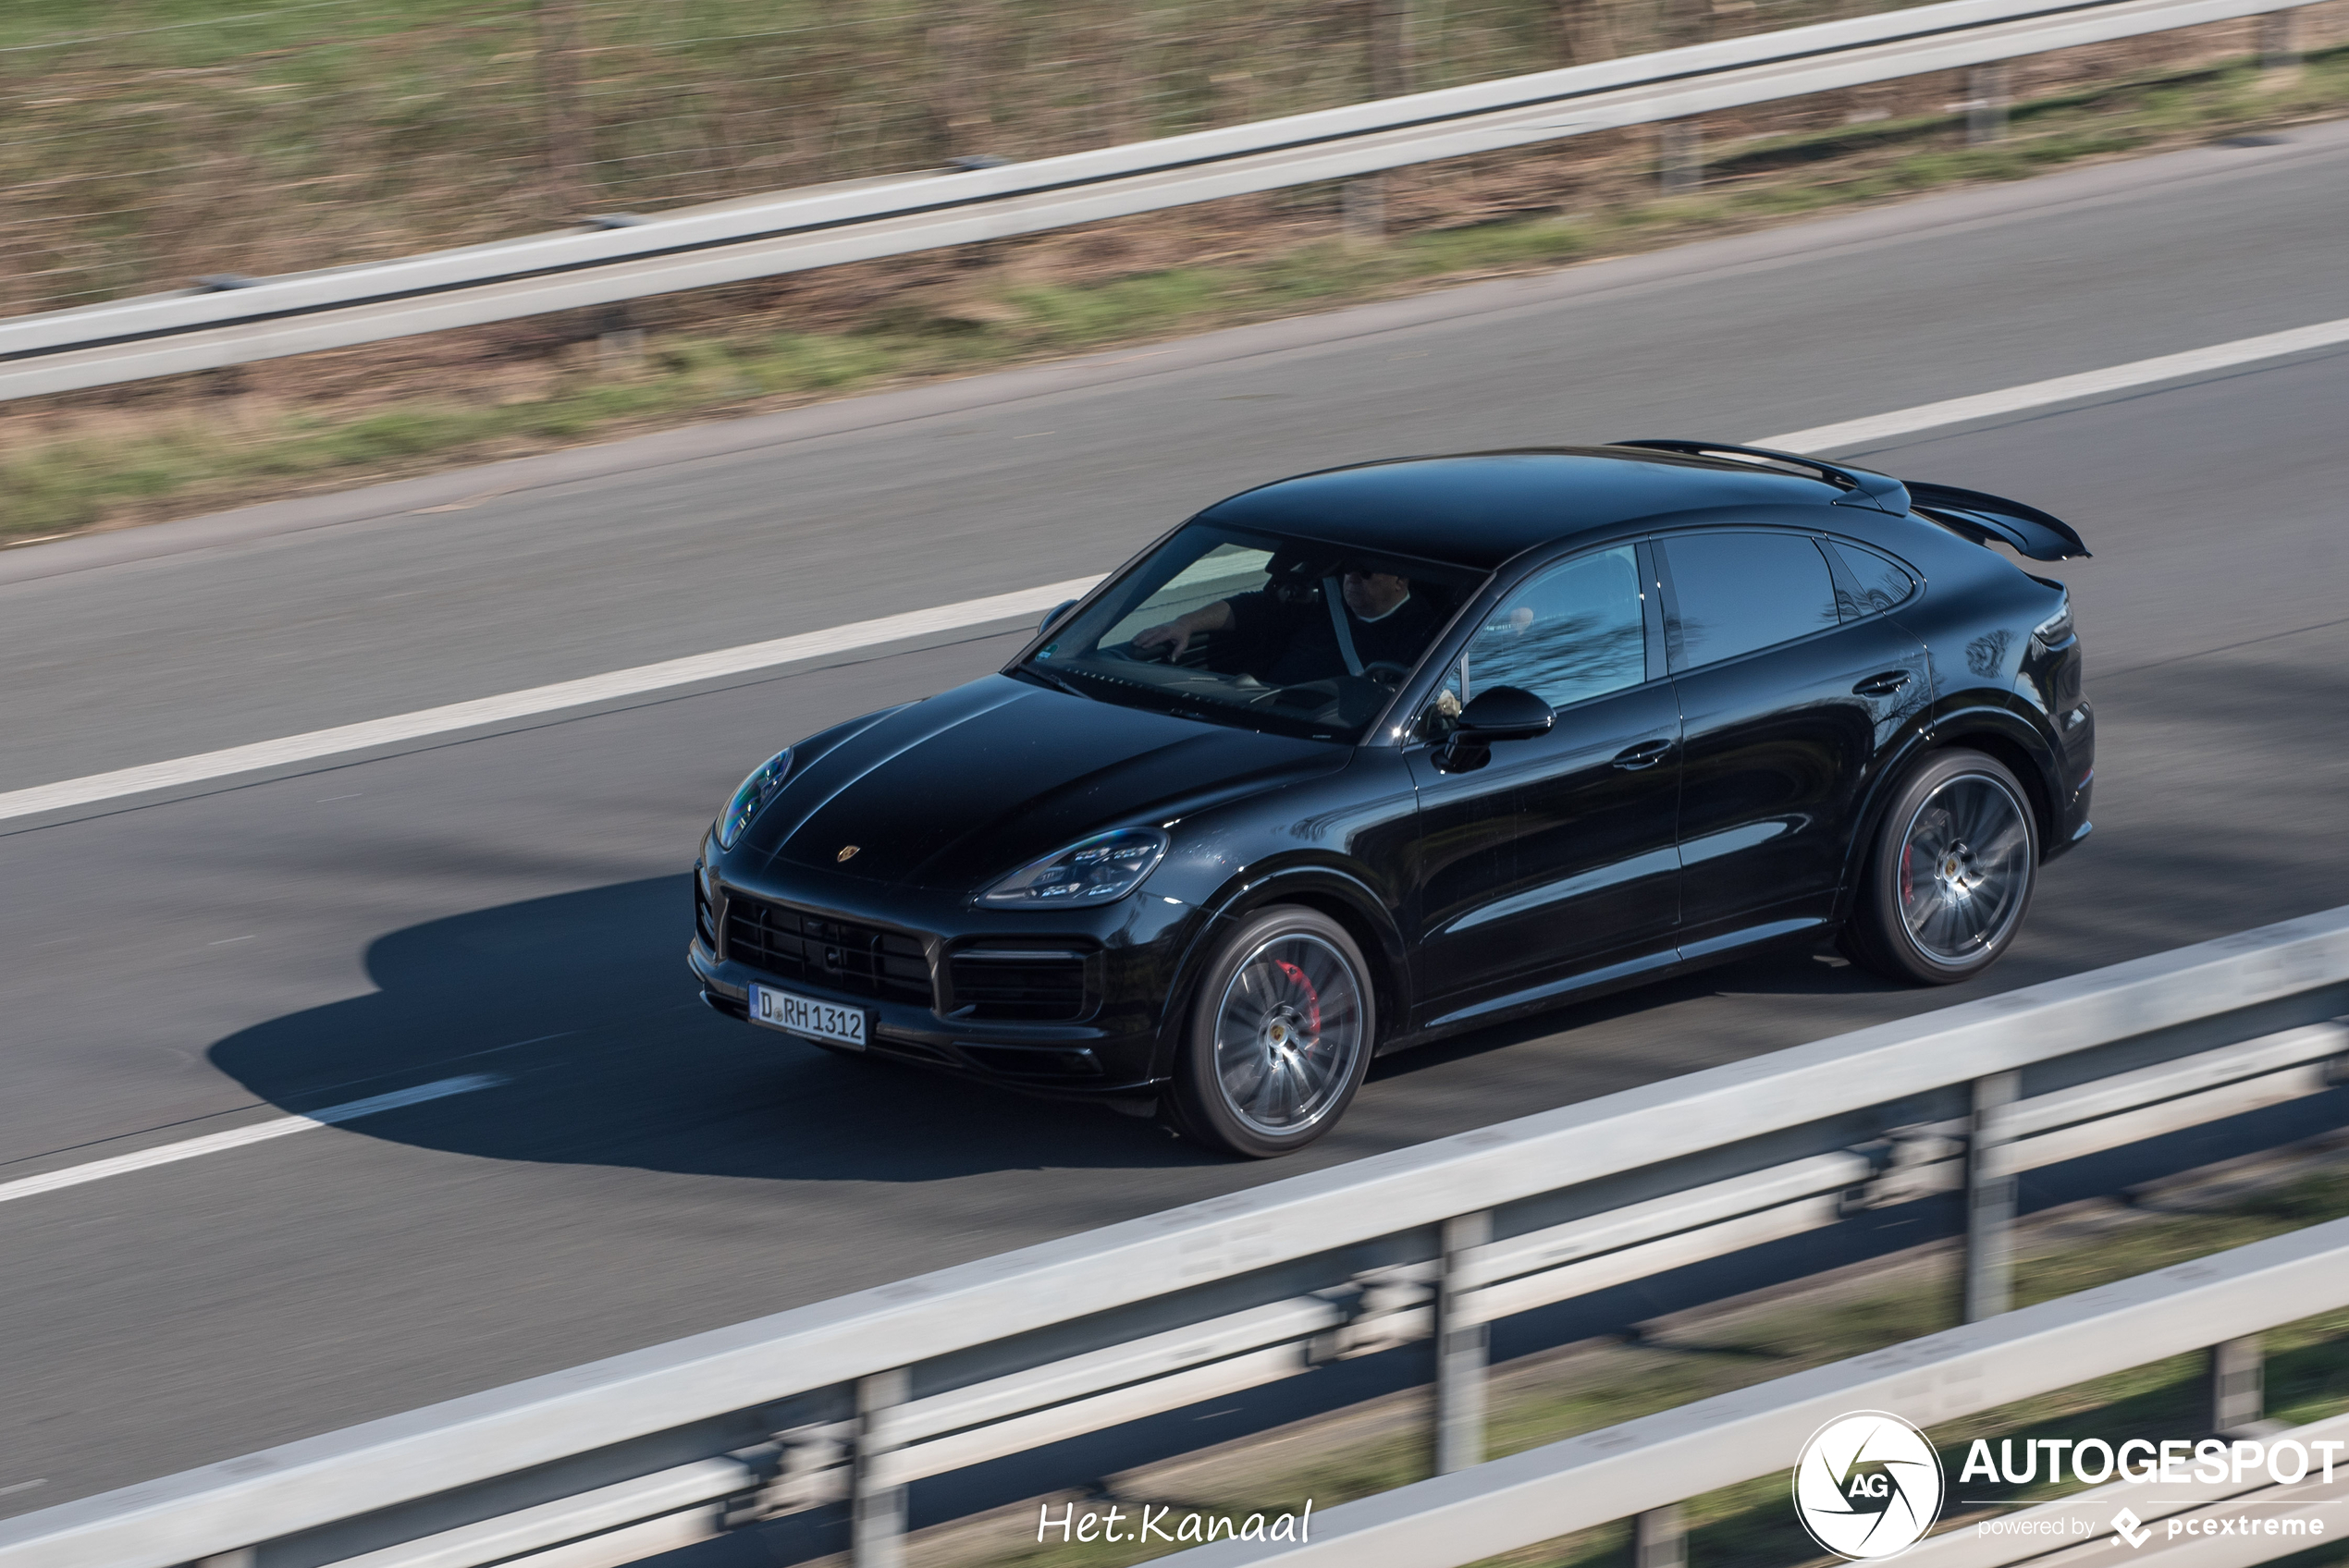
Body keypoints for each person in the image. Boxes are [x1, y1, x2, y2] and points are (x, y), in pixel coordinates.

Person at [1132, 567, 1439, 687]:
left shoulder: (1426, 633)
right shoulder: (1323, 606)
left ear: (1400, 580)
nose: (1351, 580)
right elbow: (1253, 609)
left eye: (1366, 574)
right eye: (1347, 572)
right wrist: (1185, 623)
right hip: (1262, 714)